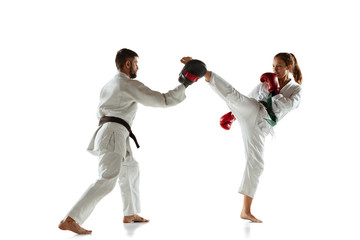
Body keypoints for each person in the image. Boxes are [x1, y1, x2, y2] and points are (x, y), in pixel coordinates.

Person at [59, 48, 199, 234]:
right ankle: (71, 218)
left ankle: (130, 213)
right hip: (114, 133)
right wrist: (185, 84)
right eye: (135, 63)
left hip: (113, 132)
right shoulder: (127, 85)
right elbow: (163, 100)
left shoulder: (109, 84)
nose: (137, 67)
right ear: (127, 64)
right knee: (107, 179)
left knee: (131, 168)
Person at [181, 53, 302, 223]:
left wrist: (274, 91)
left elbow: (285, 107)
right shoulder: (266, 80)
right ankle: (202, 71)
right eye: (273, 65)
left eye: (279, 66)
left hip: (262, 125)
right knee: (234, 96)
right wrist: (232, 114)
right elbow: (248, 98)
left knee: (257, 164)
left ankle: (246, 211)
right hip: (253, 110)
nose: (275, 69)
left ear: (288, 67)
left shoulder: (295, 89)